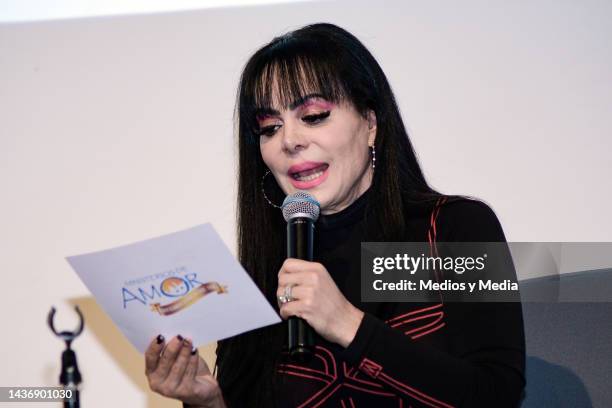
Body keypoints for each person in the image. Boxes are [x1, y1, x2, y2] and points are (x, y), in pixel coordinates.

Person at [144, 23, 526, 407]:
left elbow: (497, 394)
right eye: (270, 127)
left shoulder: (456, 228)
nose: (289, 141)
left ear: (371, 123)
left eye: (312, 116)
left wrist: (346, 323)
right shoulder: (262, 277)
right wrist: (208, 402)